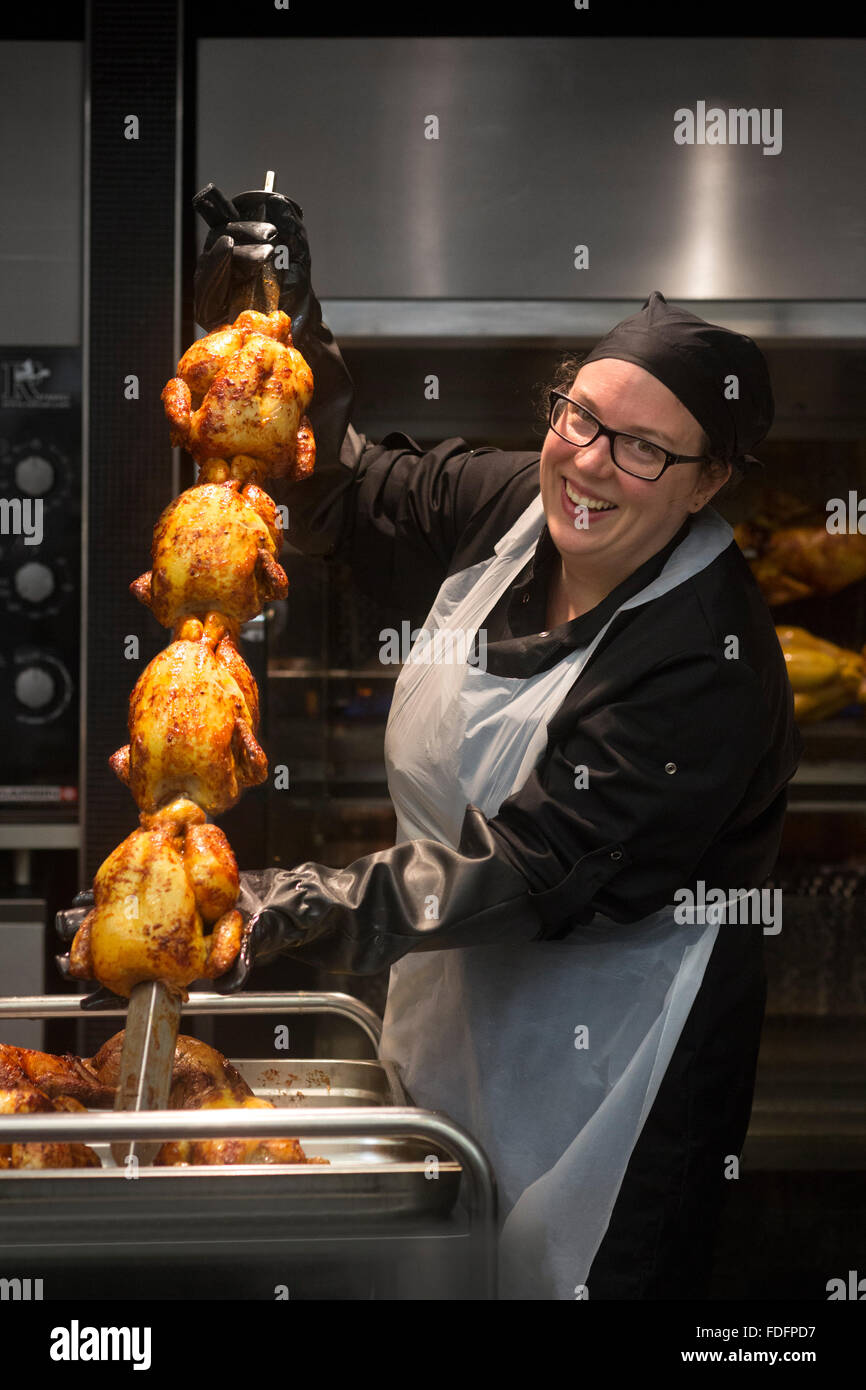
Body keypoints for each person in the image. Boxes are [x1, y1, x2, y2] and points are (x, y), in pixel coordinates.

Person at [62, 189, 803, 1300]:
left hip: (606, 1076)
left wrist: (298, 899)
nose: (587, 463)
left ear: (707, 485)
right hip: (445, 1025)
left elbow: (527, 870)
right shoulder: (515, 502)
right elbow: (349, 492)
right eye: (578, 415)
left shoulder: (705, 662)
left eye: (641, 449)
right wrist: (284, 327)